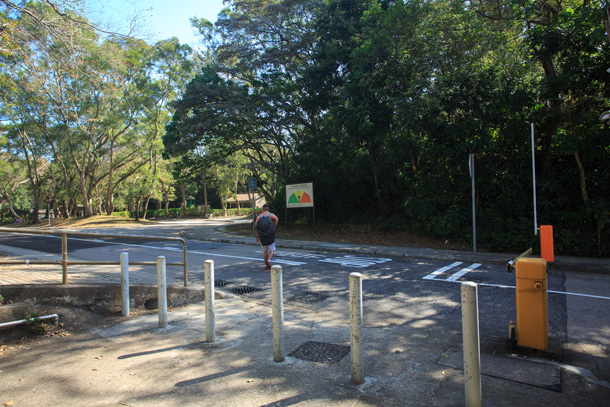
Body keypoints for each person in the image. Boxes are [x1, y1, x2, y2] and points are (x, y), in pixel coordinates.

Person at [255, 204, 279, 270]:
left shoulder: (259, 217)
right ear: (268, 209)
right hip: (270, 235)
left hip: (262, 236)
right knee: (271, 250)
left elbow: (256, 227)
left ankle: (266, 264)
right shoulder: (271, 215)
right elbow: (277, 219)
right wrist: (273, 227)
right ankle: (269, 261)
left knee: (265, 251)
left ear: (262, 210)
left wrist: (257, 236)